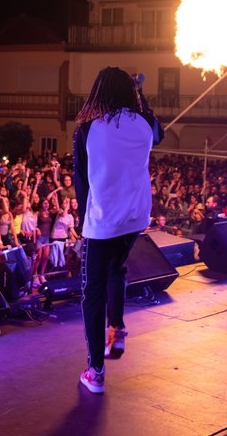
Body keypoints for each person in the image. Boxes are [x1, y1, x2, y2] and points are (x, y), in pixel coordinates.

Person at [73, 67, 164, 394]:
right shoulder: (144, 125)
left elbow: (81, 183)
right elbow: (159, 131)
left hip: (103, 222)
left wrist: (83, 223)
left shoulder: (87, 130)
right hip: (135, 218)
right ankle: (118, 327)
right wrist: (141, 96)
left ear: (98, 92)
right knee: (117, 267)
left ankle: (95, 371)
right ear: (130, 93)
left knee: (92, 293)